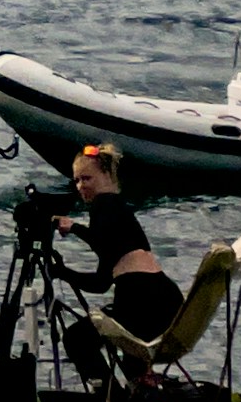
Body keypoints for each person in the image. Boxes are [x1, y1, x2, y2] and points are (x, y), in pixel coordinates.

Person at [57, 142, 179, 346]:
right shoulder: (120, 215)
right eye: (76, 180)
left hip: (144, 302)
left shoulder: (104, 203)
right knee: (109, 340)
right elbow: (100, 283)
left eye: (87, 178)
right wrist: (62, 272)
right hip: (164, 303)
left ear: (106, 175)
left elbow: (100, 241)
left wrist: (74, 228)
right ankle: (137, 378)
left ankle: (102, 380)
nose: (80, 186)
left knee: (75, 339)